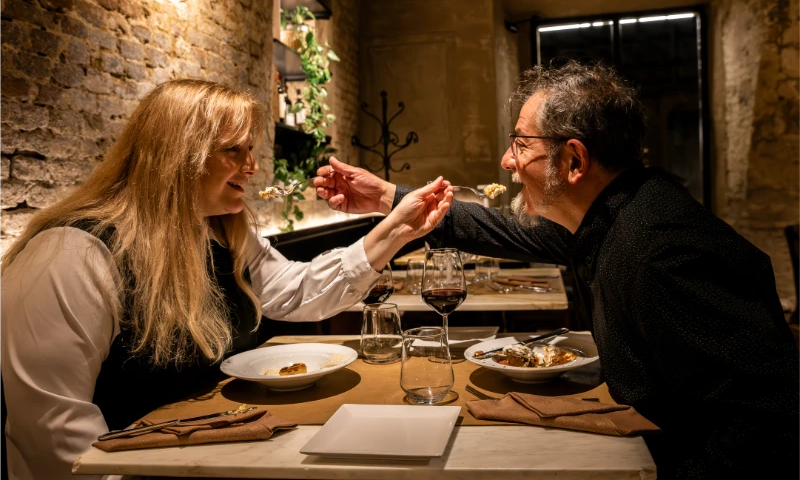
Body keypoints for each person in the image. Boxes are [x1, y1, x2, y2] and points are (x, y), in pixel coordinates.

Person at [315, 61, 800, 479]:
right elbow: (496, 229)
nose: (507, 161)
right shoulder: (612, 215)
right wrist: (385, 198)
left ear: (573, 160)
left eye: (521, 145)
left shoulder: (663, 252)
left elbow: (768, 420)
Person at [0, 79, 453, 480]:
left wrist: (398, 229)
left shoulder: (220, 232)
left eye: (251, 149)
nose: (252, 166)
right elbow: (52, 430)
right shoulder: (72, 254)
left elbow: (295, 292)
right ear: (176, 156)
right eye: (233, 150)